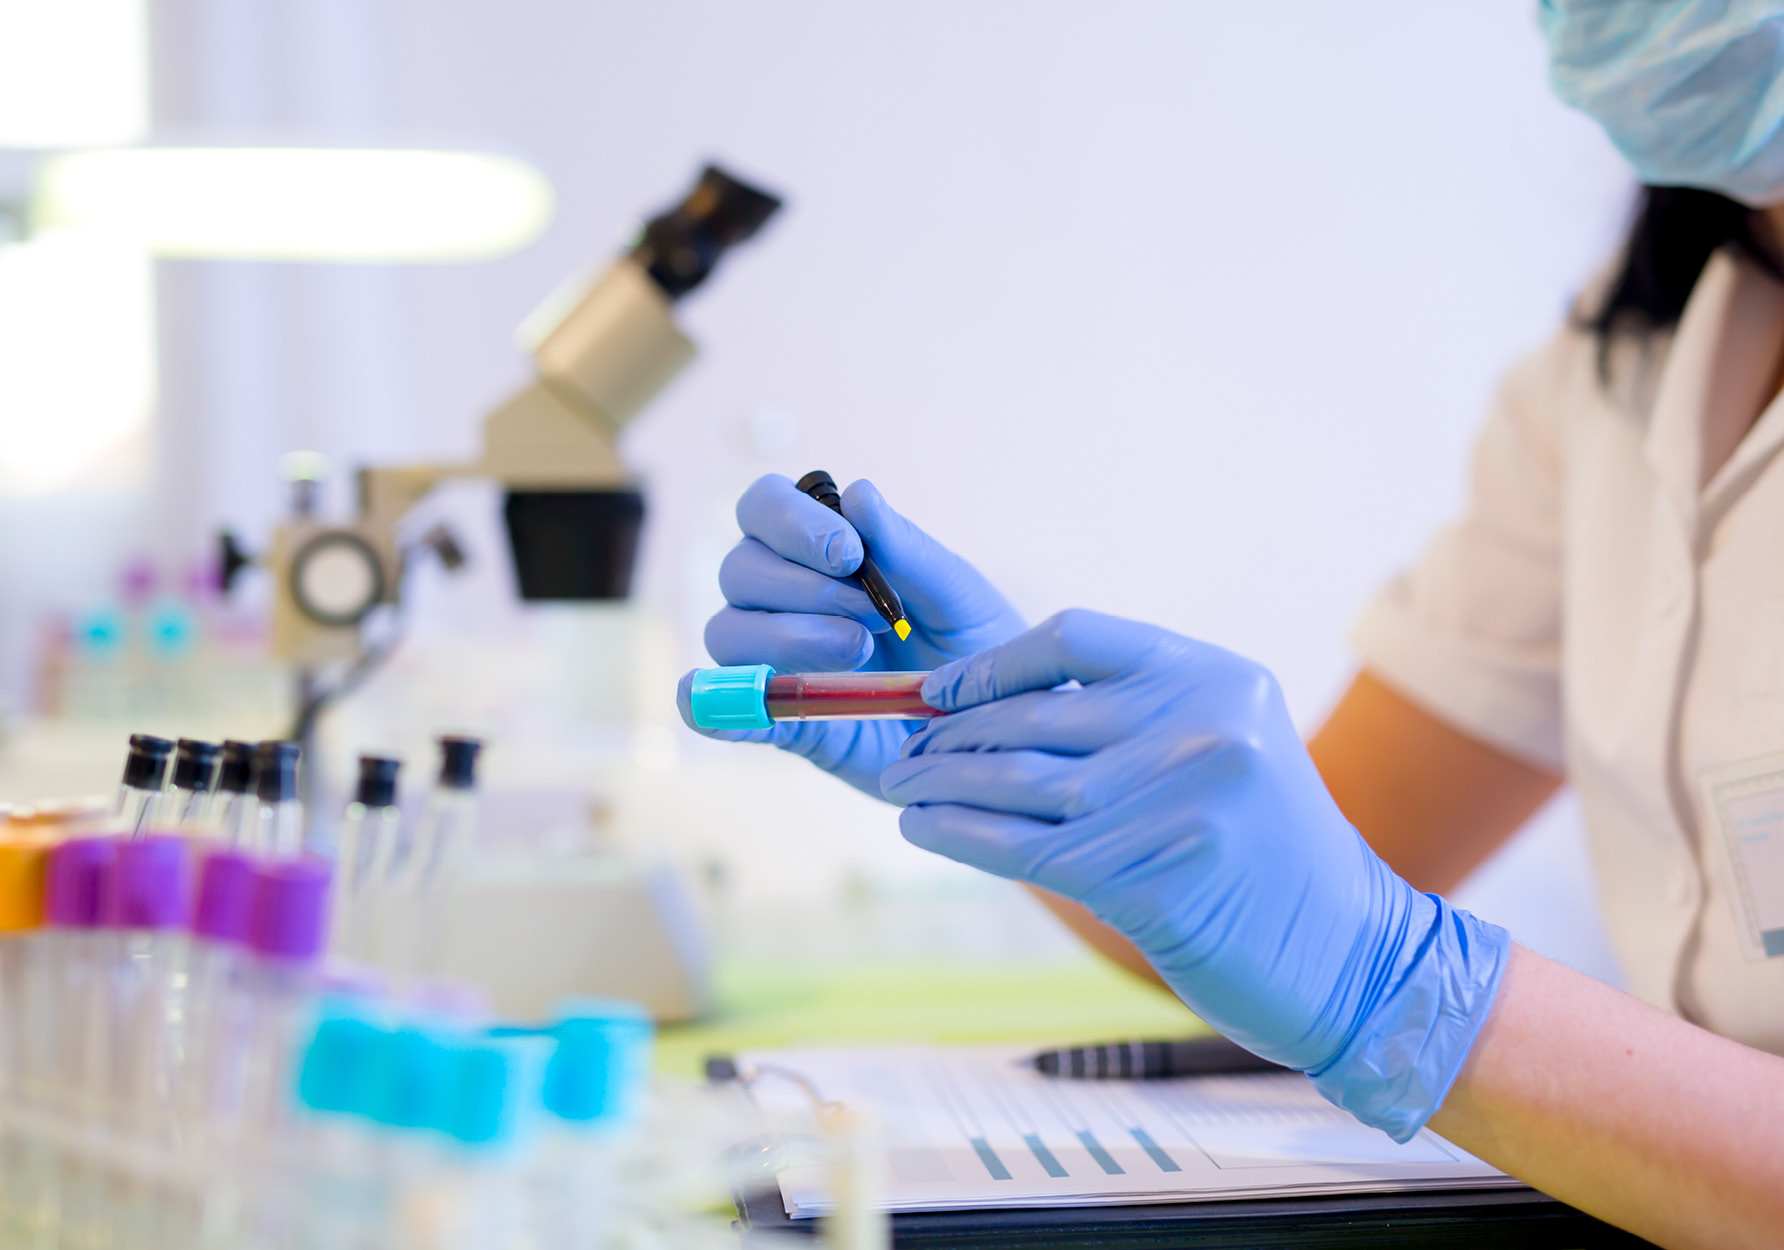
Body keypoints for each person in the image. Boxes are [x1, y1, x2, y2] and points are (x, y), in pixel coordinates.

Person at [680, 5, 1784, 1246]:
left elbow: (1343, 942)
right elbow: (1259, 894)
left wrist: (1406, 991)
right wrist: (1010, 743)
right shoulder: (1627, 359)